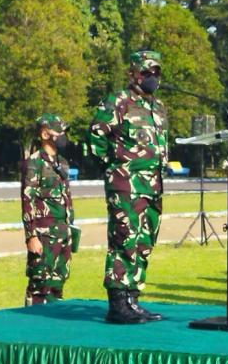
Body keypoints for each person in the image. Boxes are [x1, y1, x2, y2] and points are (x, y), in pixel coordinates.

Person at [88, 50, 167, 324]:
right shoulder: (118, 101)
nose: (152, 78)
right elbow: (97, 136)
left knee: (145, 241)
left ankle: (133, 298)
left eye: (156, 73)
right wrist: (115, 166)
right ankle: (118, 303)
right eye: (147, 72)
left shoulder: (156, 107)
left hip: (153, 186)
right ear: (134, 73)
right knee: (125, 239)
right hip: (126, 185)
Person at [21, 114, 74, 306]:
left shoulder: (62, 163)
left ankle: (54, 331)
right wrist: (31, 236)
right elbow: (28, 200)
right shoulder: (34, 163)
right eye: (58, 131)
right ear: (45, 134)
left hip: (62, 231)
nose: (62, 135)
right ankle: (32, 328)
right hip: (43, 234)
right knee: (39, 285)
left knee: (57, 284)